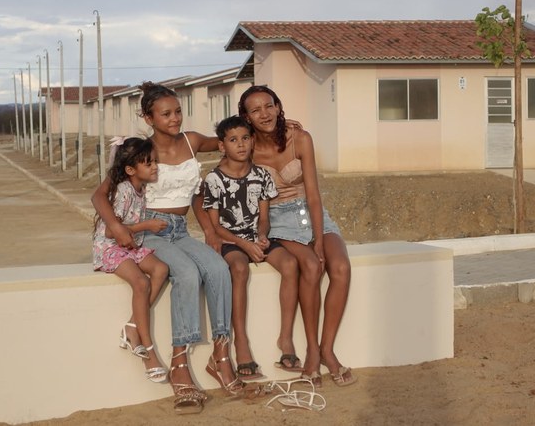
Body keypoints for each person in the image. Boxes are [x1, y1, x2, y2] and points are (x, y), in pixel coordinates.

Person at [91, 82, 243, 415]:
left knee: (219, 269)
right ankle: (179, 364)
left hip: (180, 229)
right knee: (187, 274)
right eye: (165, 114)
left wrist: (276, 128)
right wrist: (117, 227)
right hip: (150, 230)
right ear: (148, 117)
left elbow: (238, 139)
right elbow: (100, 195)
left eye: (177, 111)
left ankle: (221, 355)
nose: (174, 118)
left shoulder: (193, 140)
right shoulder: (139, 151)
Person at [239, 85, 357, 388]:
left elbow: (315, 196)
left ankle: (326, 349)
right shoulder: (246, 146)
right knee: (313, 267)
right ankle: (312, 354)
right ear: (246, 117)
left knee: (341, 267)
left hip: (311, 212)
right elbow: (218, 138)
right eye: (255, 110)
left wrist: (319, 238)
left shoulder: (301, 138)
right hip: (276, 221)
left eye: (269, 106)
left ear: (279, 107)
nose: (264, 114)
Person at [201, 116, 300, 381]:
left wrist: (262, 236)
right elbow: (215, 228)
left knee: (290, 264)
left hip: (255, 237)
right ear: (222, 146)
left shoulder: (261, 175)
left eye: (245, 138)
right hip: (229, 241)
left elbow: (265, 217)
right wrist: (244, 244)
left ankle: (286, 339)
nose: (241, 145)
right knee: (239, 267)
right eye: (233, 140)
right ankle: (241, 343)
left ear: (252, 141)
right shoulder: (214, 179)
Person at [92, 136, 169, 384]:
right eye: (149, 163)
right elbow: (107, 231)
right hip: (110, 247)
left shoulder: (140, 188)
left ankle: (132, 326)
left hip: (129, 246)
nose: (155, 167)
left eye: (155, 161)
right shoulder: (124, 190)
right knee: (141, 283)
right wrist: (146, 225)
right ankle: (148, 351)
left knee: (160, 269)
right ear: (130, 169)